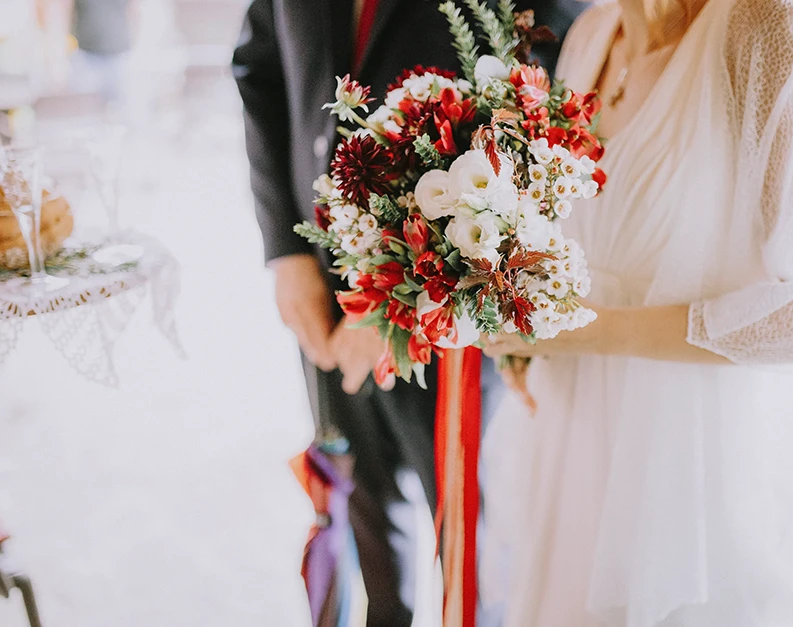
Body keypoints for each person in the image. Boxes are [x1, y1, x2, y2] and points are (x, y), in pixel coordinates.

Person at [481, 0, 793, 625]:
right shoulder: (590, 34)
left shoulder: (768, 28)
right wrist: (520, 327)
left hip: (693, 465)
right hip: (571, 436)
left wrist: (584, 331)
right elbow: (578, 234)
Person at [231, 1, 580, 625]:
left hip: (459, 283)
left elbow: (555, 81)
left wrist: (398, 296)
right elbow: (259, 64)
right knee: (359, 496)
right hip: (320, 276)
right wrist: (285, 253)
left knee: (472, 527)